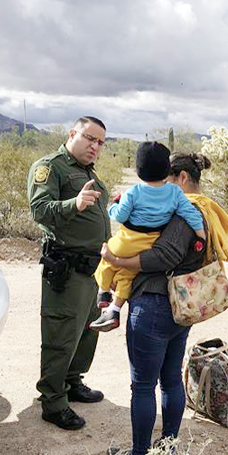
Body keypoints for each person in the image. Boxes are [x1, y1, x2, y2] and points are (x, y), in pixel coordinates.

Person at [101, 152, 228, 455]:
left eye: (166, 180)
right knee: (170, 378)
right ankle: (168, 446)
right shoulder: (205, 210)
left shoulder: (183, 212)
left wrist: (118, 262)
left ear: (183, 178)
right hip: (178, 307)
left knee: (143, 385)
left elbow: (165, 255)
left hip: (154, 305)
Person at [27, 116, 111, 430]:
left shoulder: (87, 172)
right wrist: (73, 204)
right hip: (67, 269)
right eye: (90, 138)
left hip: (92, 270)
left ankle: (73, 382)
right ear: (72, 133)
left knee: (86, 332)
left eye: (101, 142)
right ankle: (52, 401)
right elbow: (39, 210)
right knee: (61, 337)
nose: (95, 146)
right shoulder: (51, 167)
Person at [89, 142, 206, 332]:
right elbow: (191, 215)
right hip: (150, 242)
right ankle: (115, 308)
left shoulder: (133, 191)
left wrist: (114, 205)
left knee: (107, 259)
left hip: (127, 241)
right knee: (127, 274)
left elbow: (119, 216)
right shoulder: (176, 193)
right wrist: (201, 236)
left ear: (139, 170)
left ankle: (103, 293)